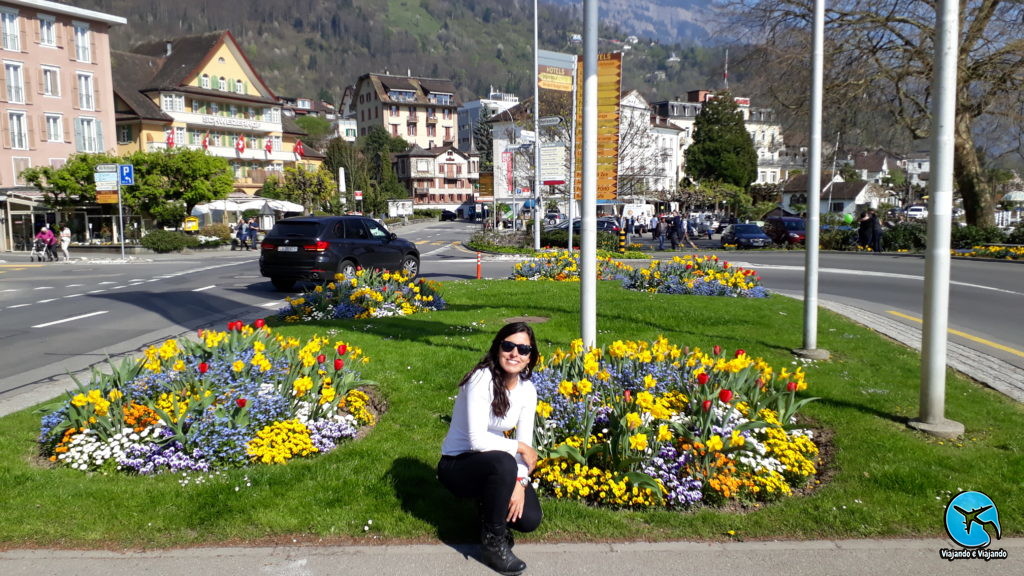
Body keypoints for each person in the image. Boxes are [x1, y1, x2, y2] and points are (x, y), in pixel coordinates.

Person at [437, 322, 542, 576]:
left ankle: (487, 510)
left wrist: (520, 483)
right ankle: (494, 542)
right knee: (503, 462)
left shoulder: (527, 390)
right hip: (458, 465)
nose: (515, 353)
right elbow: (476, 440)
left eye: (523, 349)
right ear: (498, 348)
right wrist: (519, 448)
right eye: (508, 346)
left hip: (493, 463)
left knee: (528, 519)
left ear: (530, 357)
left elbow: (525, 443)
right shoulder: (481, 379)